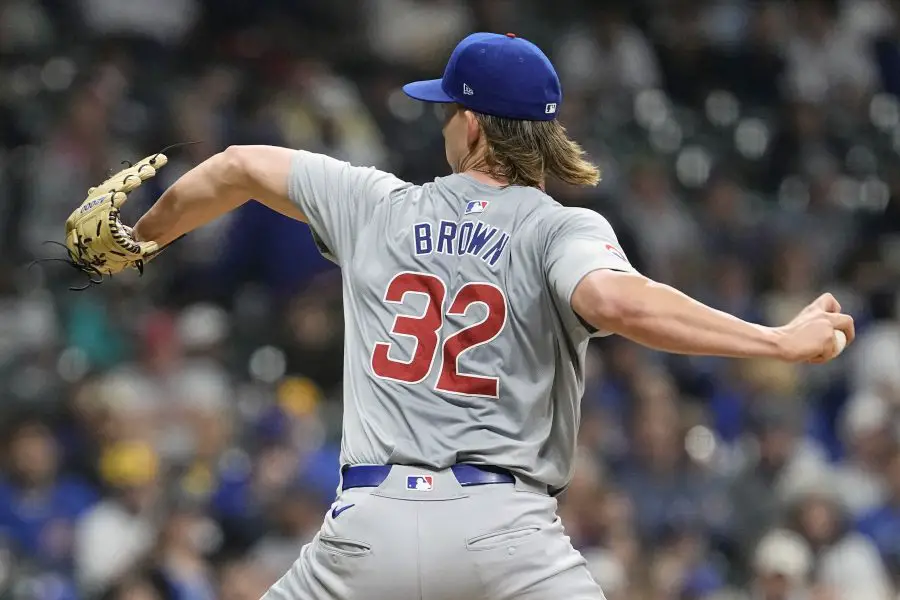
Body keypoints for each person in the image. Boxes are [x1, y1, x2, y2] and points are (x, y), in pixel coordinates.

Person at [127, 32, 854, 600]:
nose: (444, 122)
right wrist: (776, 340)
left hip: (366, 530)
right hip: (504, 536)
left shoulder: (377, 203)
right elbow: (614, 301)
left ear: (473, 124)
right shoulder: (560, 228)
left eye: (448, 109)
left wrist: (135, 243)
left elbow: (237, 167)